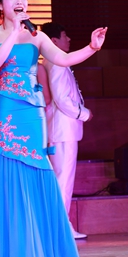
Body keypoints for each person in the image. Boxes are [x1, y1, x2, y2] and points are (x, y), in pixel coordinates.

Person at [0, 0, 107, 257]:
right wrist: (14, 32)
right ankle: (10, 250)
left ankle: (37, 250)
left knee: (36, 169)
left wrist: (92, 47)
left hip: (33, 114)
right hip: (5, 111)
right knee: (7, 173)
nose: (19, 2)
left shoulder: (38, 36)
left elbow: (63, 59)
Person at [37, 22, 91, 240]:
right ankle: (61, 228)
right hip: (63, 130)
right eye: (64, 35)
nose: (68, 39)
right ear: (54, 41)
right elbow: (61, 98)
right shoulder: (57, 63)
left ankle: (58, 226)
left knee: (61, 179)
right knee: (63, 180)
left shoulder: (51, 62)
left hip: (59, 130)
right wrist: (83, 113)